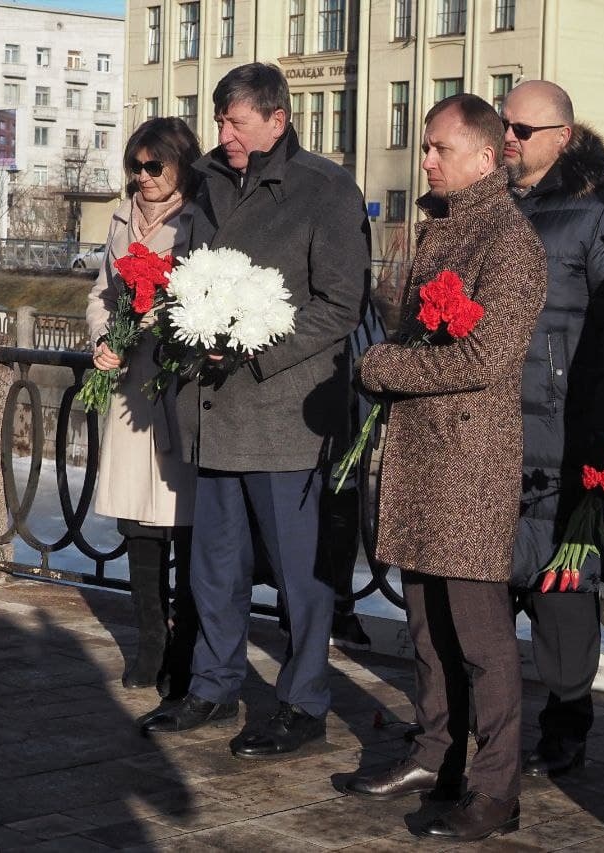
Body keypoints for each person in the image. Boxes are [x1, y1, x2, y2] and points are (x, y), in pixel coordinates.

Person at [138, 63, 370, 760]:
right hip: (214, 410)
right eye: (219, 121)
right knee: (214, 567)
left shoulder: (325, 190)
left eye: (236, 122)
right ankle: (213, 686)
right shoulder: (208, 180)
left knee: (301, 578)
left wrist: (256, 350)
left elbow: (339, 306)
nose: (224, 134)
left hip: (285, 414)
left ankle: (303, 704)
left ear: (277, 117)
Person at [339, 94, 547, 842]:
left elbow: (488, 357)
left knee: (481, 636)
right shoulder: (444, 225)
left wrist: (385, 367)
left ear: (485, 158)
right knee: (425, 623)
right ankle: (436, 753)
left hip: (467, 461)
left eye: (439, 148)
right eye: (426, 146)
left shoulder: (510, 241)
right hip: (423, 453)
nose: (425, 159)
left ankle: (497, 788)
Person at [499, 80, 604, 777]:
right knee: (484, 586)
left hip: (568, 437)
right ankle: (488, 720)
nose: (507, 138)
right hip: (492, 431)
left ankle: (567, 725)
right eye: (503, 125)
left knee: (563, 588)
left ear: (562, 136)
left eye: (522, 130)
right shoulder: (492, 206)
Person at [86, 117, 206, 696]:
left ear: (182, 164)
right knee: (138, 524)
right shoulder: (120, 215)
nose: (143, 177)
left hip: (179, 384)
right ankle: (148, 642)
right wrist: (104, 339)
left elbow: (208, 296)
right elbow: (102, 293)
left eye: (154, 166)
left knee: (186, 522)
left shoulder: (201, 217)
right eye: (135, 165)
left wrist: (156, 319)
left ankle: (186, 647)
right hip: (132, 387)